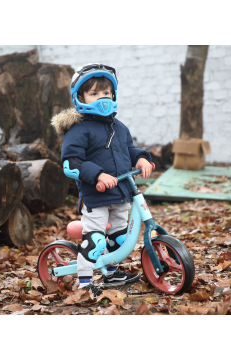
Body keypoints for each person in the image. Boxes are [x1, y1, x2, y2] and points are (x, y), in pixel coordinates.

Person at [51, 63, 153, 296]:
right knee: (96, 241)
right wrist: (97, 174)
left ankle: (111, 273)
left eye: (106, 92)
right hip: (96, 197)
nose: (102, 98)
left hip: (120, 193)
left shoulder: (120, 128)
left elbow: (129, 151)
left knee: (118, 239)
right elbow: (71, 163)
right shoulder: (78, 130)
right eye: (94, 93)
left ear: (114, 94)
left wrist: (141, 159)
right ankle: (85, 284)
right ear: (80, 98)